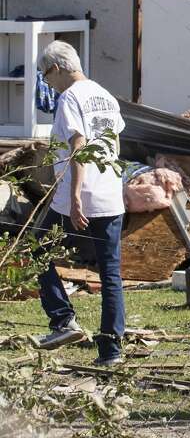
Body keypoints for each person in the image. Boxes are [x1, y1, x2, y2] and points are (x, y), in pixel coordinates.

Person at [32, 40, 126, 366]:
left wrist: (74, 197)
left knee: (37, 249)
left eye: (46, 76)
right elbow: (113, 143)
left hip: (80, 196)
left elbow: (79, 145)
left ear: (57, 68)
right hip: (110, 194)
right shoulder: (106, 95)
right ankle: (111, 352)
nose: (48, 83)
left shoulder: (70, 98)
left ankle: (62, 320)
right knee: (110, 273)